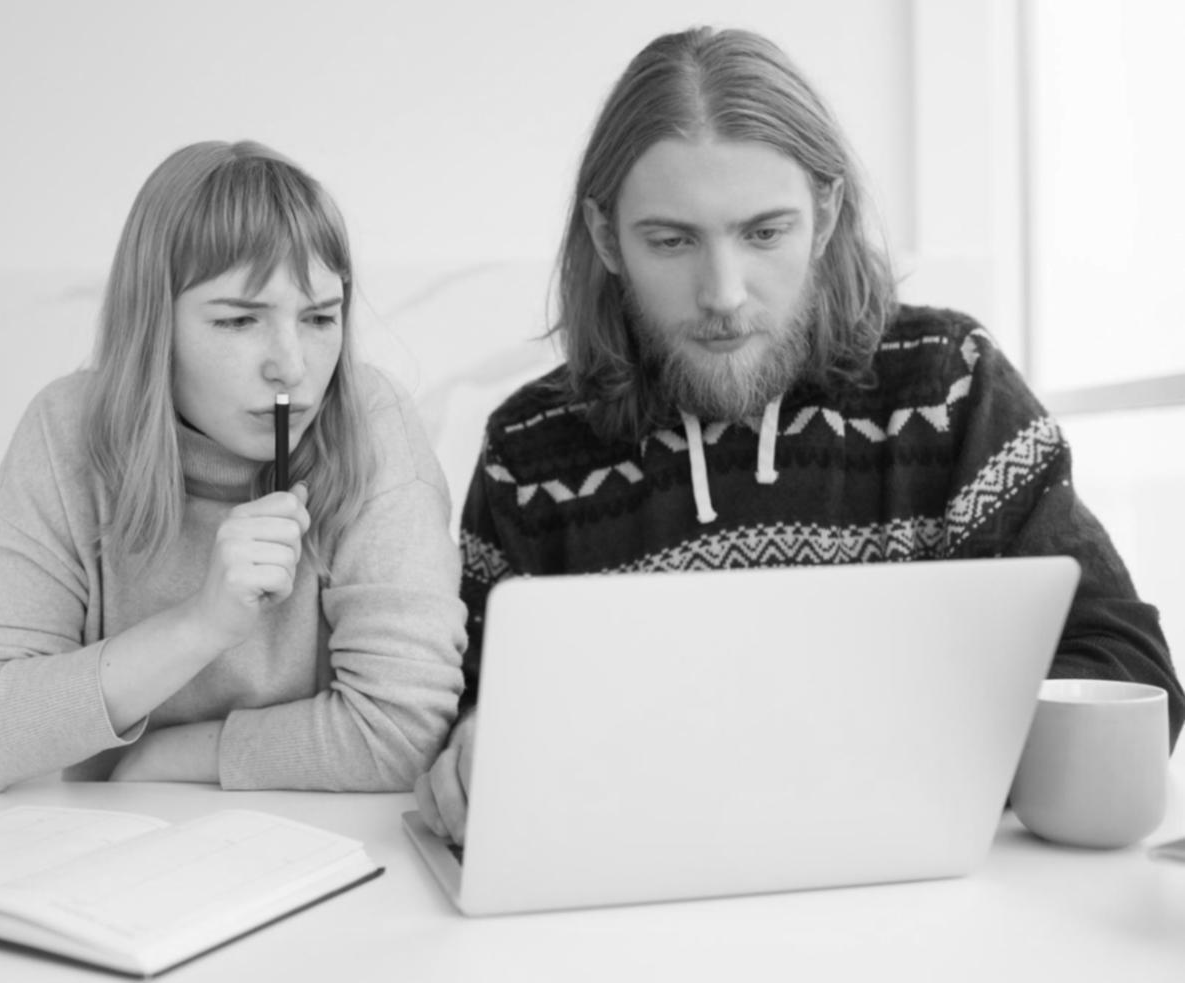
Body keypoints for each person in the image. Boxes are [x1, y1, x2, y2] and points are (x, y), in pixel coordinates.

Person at [414, 26, 1183, 843]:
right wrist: (467, 743)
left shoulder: (950, 385)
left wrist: (922, 761)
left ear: (826, 213)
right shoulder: (529, 451)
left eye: (764, 232)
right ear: (607, 239)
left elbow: (1125, 665)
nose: (723, 294)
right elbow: (458, 703)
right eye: (671, 241)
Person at [0, 141, 467, 793]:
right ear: (154, 324)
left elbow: (403, 733)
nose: (291, 365)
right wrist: (202, 624)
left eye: (320, 317)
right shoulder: (66, 432)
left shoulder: (372, 425)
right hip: (117, 859)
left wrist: (173, 759)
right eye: (240, 320)